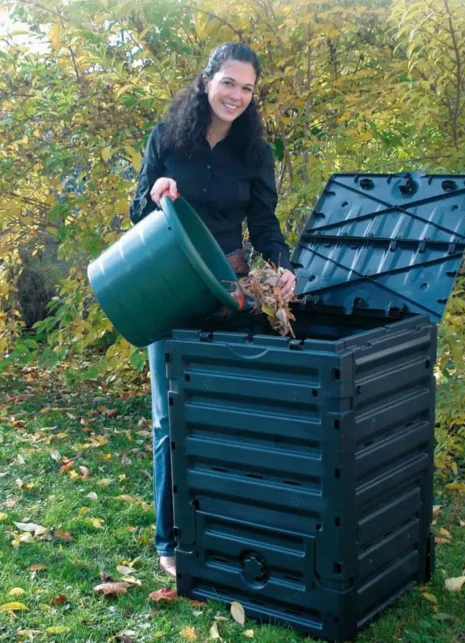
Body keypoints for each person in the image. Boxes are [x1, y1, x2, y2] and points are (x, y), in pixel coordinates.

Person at [128, 42, 296, 577]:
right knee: (169, 417)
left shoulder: (255, 154)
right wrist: (155, 192)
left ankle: (231, 528)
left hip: (230, 293)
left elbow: (266, 228)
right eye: (229, 83)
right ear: (207, 81)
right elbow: (136, 212)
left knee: (231, 413)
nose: (237, 96)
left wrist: (284, 266)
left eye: (248, 88)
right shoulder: (166, 138)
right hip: (168, 286)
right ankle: (169, 542)